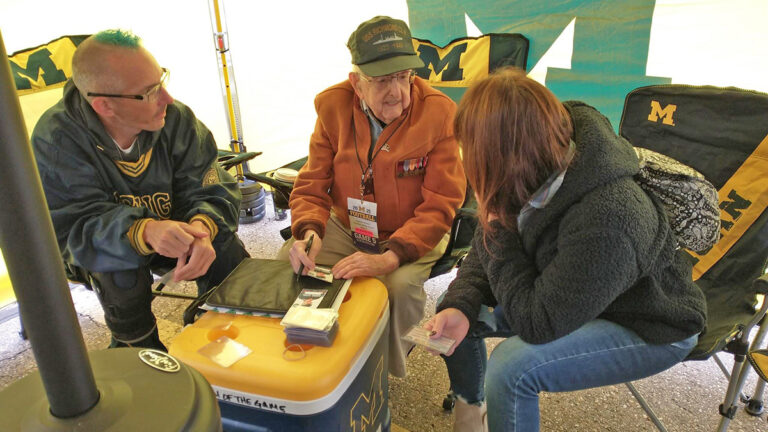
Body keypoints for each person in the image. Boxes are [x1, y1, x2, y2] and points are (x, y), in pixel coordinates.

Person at [424, 68, 707, 432]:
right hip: (569, 288)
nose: (467, 162)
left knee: (512, 369)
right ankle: (470, 413)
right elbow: (489, 243)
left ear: (505, 157)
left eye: (473, 154)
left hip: (646, 321)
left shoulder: (611, 219)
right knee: (453, 305)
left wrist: (497, 227)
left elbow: (536, 323)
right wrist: (461, 304)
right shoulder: (538, 155)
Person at [31, 29, 250, 351]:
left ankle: (235, 332)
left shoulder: (177, 120)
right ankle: (140, 351)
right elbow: (71, 228)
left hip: (177, 229)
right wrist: (144, 230)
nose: (167, 99)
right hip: (101, 246)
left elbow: (210, 185)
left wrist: (202, 227)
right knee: (119, 270)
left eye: (161, 80)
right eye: (149, 91)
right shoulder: (56, 141)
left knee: (225, 248)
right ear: (105, 105)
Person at [278, 16, 466, 377]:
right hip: (347, 226)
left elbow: (442, 202)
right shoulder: (331, 107)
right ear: (357, 83)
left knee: (397, 288)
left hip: (415, 232)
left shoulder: (440, 112)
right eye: (382, 81)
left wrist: (392, 256)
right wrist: (309, 231)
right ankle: (311, 348)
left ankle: (381, 375)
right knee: (291, 259)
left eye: (402, 77)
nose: (396, 91)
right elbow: (313, 182)